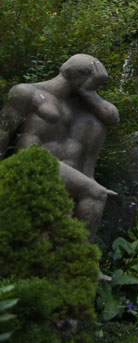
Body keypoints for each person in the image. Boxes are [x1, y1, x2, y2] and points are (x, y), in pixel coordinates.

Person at [0, 54, 119, 239]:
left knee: (79, 205)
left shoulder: (89, 109)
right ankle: (80, 262)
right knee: (96, 194)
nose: (96, 89)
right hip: (32, 164)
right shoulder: (28, 93)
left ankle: (75, 261)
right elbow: (3, 133)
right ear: (78, 78)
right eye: (94, 83)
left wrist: (88, 93)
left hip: (67, 181)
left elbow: (113, 117)